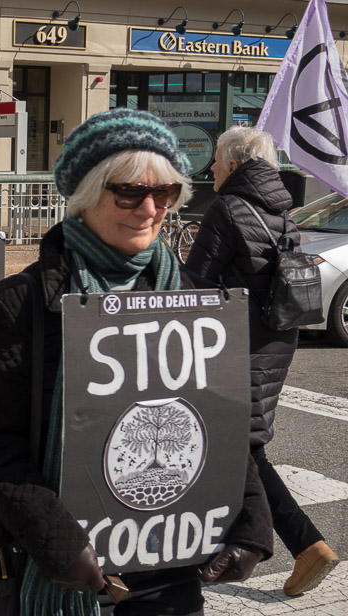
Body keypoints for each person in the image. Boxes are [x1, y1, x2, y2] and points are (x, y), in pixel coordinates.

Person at [0, 109, 274, 615]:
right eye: (129, 191)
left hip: (174, 566)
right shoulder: (18, 304)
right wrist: (61, 544)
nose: (149, 208)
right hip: (63, 569)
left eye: (165, 193)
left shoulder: (196, 298)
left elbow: (223, 425)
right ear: (86, 194)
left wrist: (250, 526)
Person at [185, 125, 340, 597]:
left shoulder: (228, 209)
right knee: (238, 440)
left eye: (215, 158)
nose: (211, 167)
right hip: (278, 338)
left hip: (235, 343)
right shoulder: (283, 210)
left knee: (237, 444)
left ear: (233, 164)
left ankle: (305, 542)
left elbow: (194, 284)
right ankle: (238, 542)